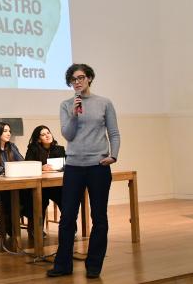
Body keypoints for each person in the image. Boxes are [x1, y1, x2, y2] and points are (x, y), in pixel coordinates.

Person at [47, 64, 120, 279]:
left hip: (98, 167)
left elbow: (114, 133)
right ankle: (63, 264)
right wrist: (73, 115)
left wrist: (113, 155)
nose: (77, 82)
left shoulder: (104, 103)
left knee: (99, 217)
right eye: (72, 79)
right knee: (68, 216)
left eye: (80, 78)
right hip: (74, 167)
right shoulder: (66, 105)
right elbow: (68, 135)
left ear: (89, 78)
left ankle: (94, 265)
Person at [0, 121, 26, 238]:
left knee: (27, 197)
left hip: (15, 184)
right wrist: (9, 168)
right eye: (5, 131)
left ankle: (3, 220)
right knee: (9, 196)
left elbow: (22, 162)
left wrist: (10, 168)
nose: (9, 134)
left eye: (9, 131)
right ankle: (6, 223)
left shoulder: (12, 146)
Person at [25, 125, 66, 234]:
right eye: (43, 134)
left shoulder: (59, 149)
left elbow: (66, 164)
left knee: (66, 200)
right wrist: (41, 167)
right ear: (38, 139)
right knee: (40, 201)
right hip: (40, 186)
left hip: (56, 185)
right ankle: (37, 230)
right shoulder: (33, 149)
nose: (47, 136)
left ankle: (69, 228)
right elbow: (27, 165)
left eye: (48, 133)